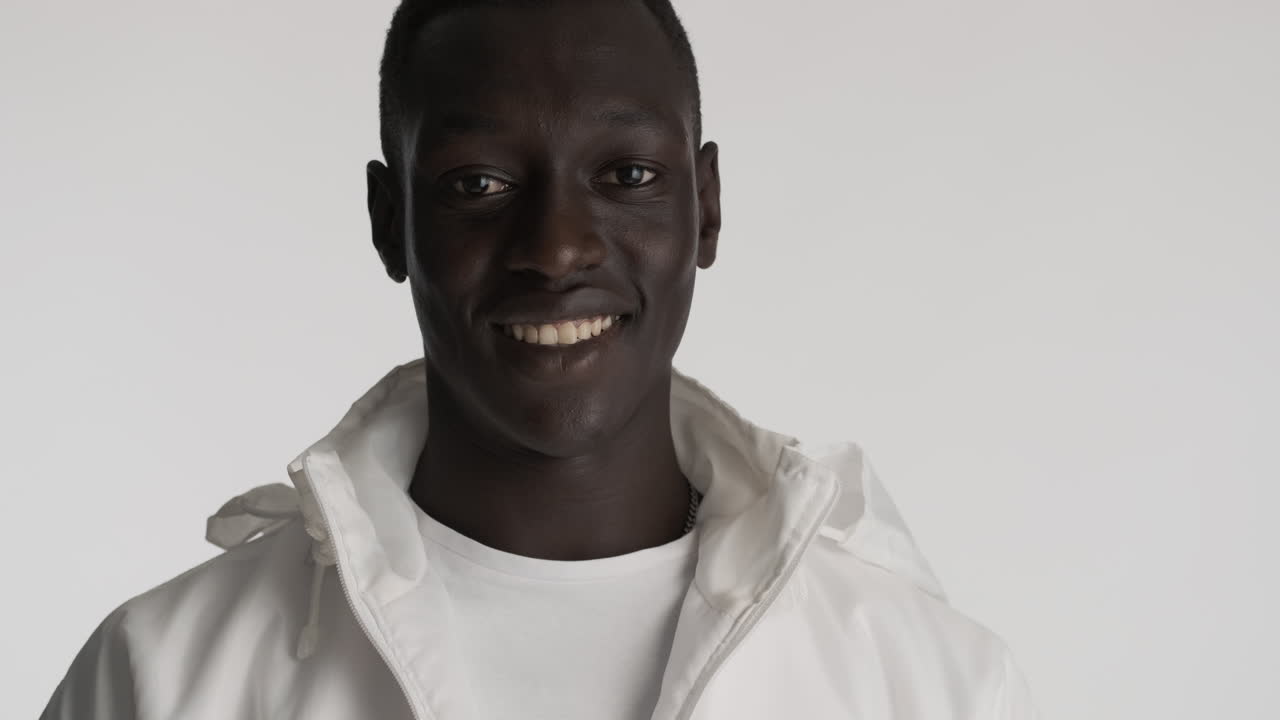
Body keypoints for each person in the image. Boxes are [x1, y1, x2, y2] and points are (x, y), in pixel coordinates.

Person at [41, 0, 1039, 718]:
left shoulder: (931, 686)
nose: (556, 248)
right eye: (476, 182)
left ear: (707, 206)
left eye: (627, 175)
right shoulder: (164, 677)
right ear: (390, 224)